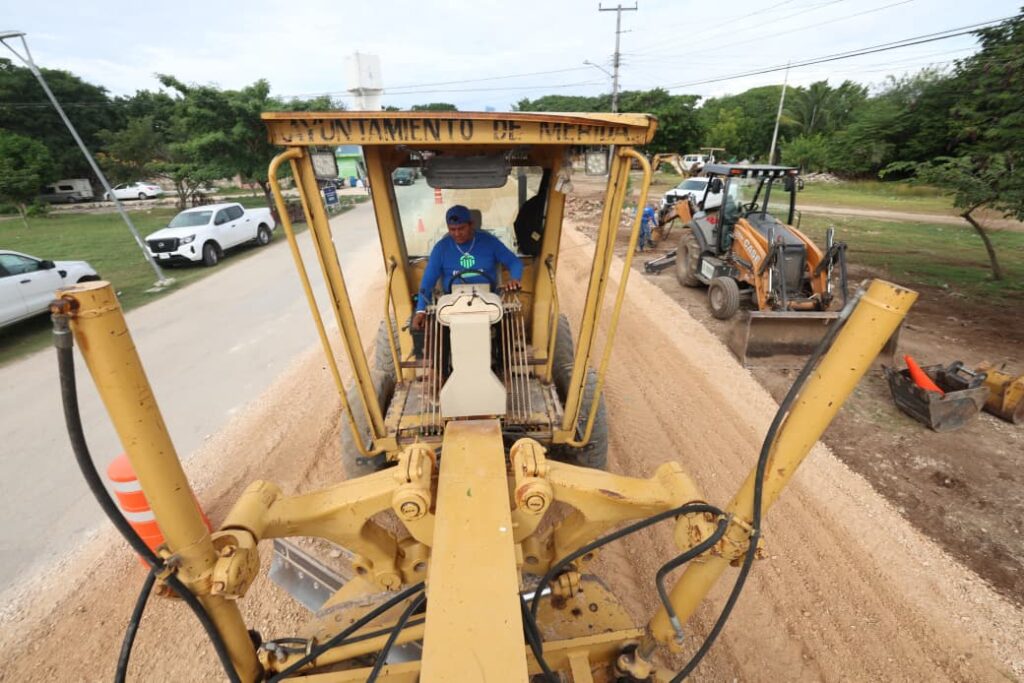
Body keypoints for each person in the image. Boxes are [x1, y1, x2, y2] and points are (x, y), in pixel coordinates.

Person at [412, 205, 524, 331]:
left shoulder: (489, 242)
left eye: (461, 228)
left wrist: (514, 279)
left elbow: (514, 262)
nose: (457, 234)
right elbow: (428, 280)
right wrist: (420, 310)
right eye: (452, 229)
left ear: (471, 224)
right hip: (452, 306)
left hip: (489, 303)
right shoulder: (441, 248)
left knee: (507, 328)